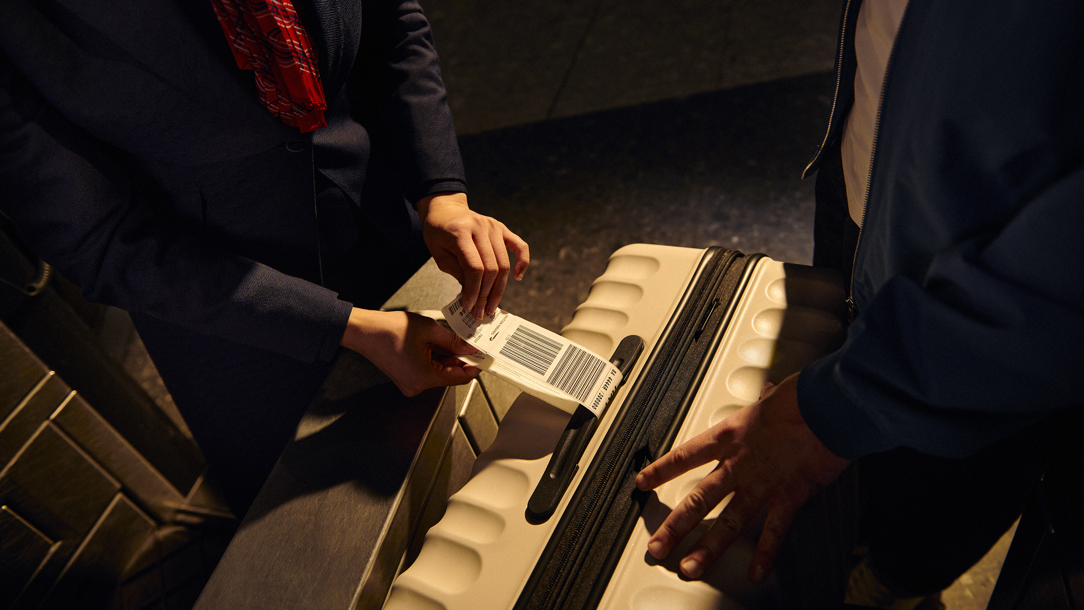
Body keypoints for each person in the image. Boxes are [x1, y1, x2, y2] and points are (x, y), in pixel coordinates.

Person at [0, 0, 528, 514]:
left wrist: (441, 191)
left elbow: (393, 25)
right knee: (328, 535)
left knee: (487, 470)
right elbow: (101, 240)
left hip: (386, 221)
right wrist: (345, 326)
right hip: (243, 326)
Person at [636, 0, 1084, 605]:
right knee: (862, 455)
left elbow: (1057, 291)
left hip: (976, 294)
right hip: (869, 192)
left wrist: (841, 406)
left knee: (946, 480)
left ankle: (893, 582)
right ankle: (866, 550)